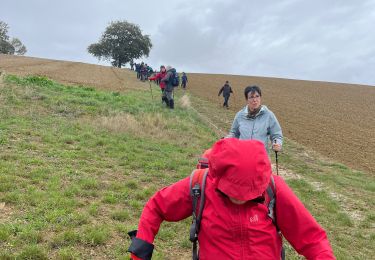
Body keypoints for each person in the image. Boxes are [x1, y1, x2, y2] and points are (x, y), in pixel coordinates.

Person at [127, 138, 335, 259]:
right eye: (233, 194)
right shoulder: (200, 184)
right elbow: (156, 207)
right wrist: (139, 253)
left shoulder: (274, 188)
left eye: (249, 195)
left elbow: (313, 239)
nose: (241, 200)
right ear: (218, 177)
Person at [227, 85, 282, 154]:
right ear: (247, 99)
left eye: (257, 96)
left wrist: (277, 143)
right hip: (242, 155)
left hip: (260, 157)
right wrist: (227, 138)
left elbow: (276, 134)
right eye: (251, 97)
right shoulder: (240, 115)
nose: (255, 100)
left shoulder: (268, 115)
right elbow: (234, 133)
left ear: (260, 97)